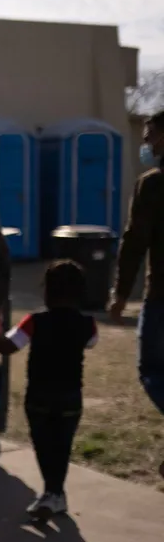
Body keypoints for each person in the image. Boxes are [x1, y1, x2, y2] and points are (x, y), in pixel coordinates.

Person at [0, 261, 97, 518]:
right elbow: (91, 343)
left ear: (47, 291)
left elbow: (9, 345)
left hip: (39, 396)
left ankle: (51, 494)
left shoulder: (34, 321)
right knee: (62, 446)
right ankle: (55, 494)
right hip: (71, 396)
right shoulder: (88, 324)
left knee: (44, 445)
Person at [110, 109, 164, 479]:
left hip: (161, 296)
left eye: (150, 137)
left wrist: (120, 293)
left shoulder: (153, 185)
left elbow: (134, 243)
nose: (146, 144)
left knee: (152, 370)